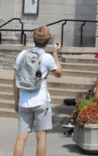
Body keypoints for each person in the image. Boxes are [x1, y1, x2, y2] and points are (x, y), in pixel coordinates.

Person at [13, 26, 62, 156]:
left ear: (33, 39)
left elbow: (15, 80)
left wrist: (16, 101)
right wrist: (55, 53)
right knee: (41, 137)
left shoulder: (22, 55)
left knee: (21, 138)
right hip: (41, 101)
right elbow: (58, 73)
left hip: (24, 100)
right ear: (47, 42)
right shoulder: (47, 57)